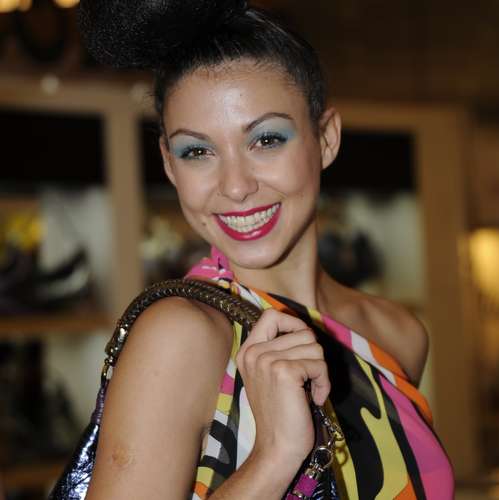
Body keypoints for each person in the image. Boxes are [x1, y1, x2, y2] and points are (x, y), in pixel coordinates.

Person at [80, 1, 455, 498]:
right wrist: (274, 455)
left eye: (266, 140)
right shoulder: (180, 338)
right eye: (198, 151)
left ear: (326, 138)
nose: (236, 186)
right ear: (169, 165)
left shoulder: (398, 336)